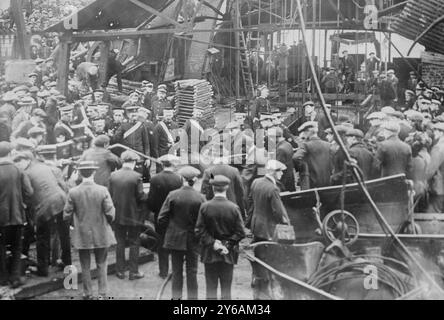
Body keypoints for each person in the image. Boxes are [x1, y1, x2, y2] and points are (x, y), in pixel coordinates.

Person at [63, 161, 116, 300]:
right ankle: (102, 293)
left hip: (82, 233)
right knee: (102, 263)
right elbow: (111, 213)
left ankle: (87, 293)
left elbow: (66, 215)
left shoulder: (73, 191)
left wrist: (74, 225)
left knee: (84, 264)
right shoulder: (102, 190)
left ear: (79, 173)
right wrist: (106, 223)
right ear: (93, 172)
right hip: (101, 231)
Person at [13, 151, 71, 276]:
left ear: (26, 160)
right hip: (61, 200)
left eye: (18, 163)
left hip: (45, 206)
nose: (18, 166)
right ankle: (67, 262)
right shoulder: (44, 167)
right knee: (64, 234)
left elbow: (28, 193)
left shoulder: (25, 173)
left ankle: (43, 269)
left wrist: (25, 205)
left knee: (42, 237)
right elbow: (61, 183)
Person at [158, 166, 206, 300]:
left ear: (182, 179)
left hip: (174, 239)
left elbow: (161, 218)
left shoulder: (172, 195)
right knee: (192, 271)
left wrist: (169, 231)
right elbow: (204, 222)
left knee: (176, 271)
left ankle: (176, 298)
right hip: (193, 240)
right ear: (195, 180)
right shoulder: (201, 198)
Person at [195, 175, 246, 300]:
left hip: (209, 252)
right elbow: (241, 232)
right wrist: (226, 245)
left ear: (213, 188)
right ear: (227, 188)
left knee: (210, 289)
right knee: (226, 290)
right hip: (228, 254)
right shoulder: (233, 208)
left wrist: (214, 244)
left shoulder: (205, 207)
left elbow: (199, 230)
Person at [0, 142, 33, 288]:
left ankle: (2, 278)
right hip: (17, 216)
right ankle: (15, 278)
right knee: (16, 247)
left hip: (1, 218)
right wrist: (22, 203)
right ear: (10, 153)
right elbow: (29, 191)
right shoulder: (18, 170)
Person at [109, 151, 146, 280]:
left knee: (120, 242)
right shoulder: (137, 176)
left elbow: (110, 194)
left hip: (117, 215)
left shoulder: (113, 175)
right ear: (134, 162)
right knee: (134, 242)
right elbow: (141, 197)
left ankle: (120, 271)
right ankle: (133, 271)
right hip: (133, 215)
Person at [147, 154, 183, 279]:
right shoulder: (179, 179)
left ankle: (163, 271)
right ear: (173, 164)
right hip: (175, 216)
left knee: (161, 243)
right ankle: (175, 271)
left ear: (163, 164)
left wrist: (156, 211)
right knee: (174, 244)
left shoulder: (155, 179)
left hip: (159, 216)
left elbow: (150, 201)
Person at [248, 160, 290, 242]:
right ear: (273, 172)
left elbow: (250, 201)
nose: (282, 173)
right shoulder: (273, 189)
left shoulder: (256, 182)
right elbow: (278, 211)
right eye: (279, 171)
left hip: (256, 225)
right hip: (268, 229)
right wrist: (285, 224)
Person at [293, 121, 332, 190]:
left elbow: (295, 157)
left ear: (308, 132)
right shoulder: (328, 145)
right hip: (326, 180)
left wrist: (303, 168)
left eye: (304, 132)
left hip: (311, 181)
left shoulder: (306, 145)